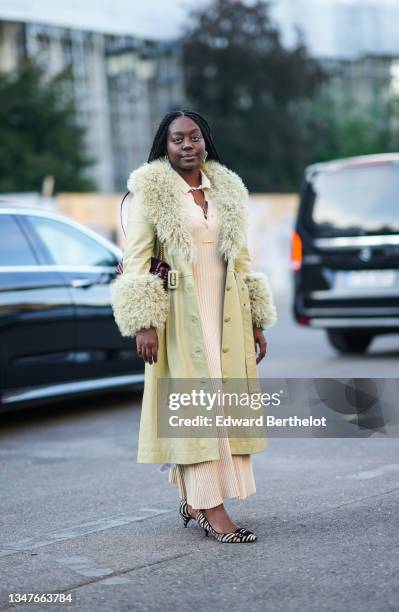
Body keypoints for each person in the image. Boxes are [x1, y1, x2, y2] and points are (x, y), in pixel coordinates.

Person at [110, 109, 277, 543]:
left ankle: (195, 499)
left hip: (228, 315)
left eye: (194, 137)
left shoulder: (227, 189)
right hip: (181, 317)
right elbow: (137, 258)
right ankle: (213, 511)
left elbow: (242, 257)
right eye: (177, 140)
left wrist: (256, 318)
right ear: (164, 147)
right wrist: (144, 322)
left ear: (206, 141)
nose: (187, 146)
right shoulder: (151, 193)